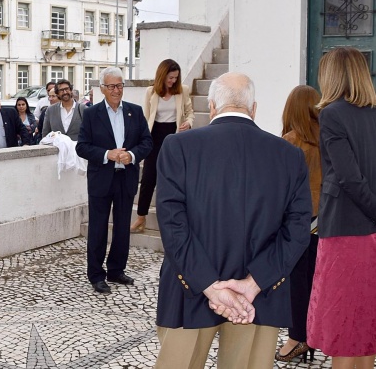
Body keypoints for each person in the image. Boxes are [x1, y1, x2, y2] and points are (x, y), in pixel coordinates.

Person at [154, 72, 311, 369]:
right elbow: (298, 231)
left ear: (212, 106)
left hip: (190, 287)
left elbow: (173, 226)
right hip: (259, 298)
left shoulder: (178, 147)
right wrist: (253, 285)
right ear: (253, 109)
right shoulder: (289, 156)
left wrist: (211, 287)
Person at [307, 47, 376, 369]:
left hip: (346, 232)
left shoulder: (332, 113)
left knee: (345, 326)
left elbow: (349, 178)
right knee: (365, 328)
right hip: (368, 233)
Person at [75, 67, 152, 294]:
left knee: (122, 228)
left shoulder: (135, 112)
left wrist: (133, 155)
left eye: (119, 85)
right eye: (111, 86)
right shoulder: (91, 114)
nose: (116, 90)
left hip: (125, 177)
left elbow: (147, 142)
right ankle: (96, 275)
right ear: (102, 89)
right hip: (101, 178)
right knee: (98, 229)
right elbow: (82, 146)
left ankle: (116, 270)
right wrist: (107, 154)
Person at [274, 85, 321, 363]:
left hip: (296, 224)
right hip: (324, 224)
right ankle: (312, 334)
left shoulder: (289, 142)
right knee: (316, 281)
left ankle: (297, 337)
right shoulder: (330, 138)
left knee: (296, 283)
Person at [130, 59, 194, 233]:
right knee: (149, 178)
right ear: (162, 75)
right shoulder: (151, 91)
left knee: (172, 179)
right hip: (154, 137)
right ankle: (141, 217)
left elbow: (190, 113)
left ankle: (172, 218)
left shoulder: (183, 91)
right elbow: (146, 116)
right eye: (171, 77)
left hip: (174, 138)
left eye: (175, 78)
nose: (173, 81)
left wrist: (188, 123)